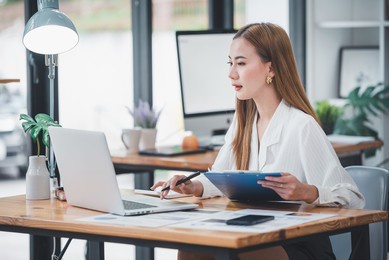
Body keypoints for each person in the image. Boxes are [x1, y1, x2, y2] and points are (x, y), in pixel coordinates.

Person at [151, 22, 365, 260]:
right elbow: (221, 177)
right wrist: (195, 186)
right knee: (193, 246)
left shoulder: (301, 126)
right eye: (230, 63)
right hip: (254, 230)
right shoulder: (242, 123)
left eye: (241, 63)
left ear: (270, 69)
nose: (231, 73)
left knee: (247, 249)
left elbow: (352, 198)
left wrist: (308, 192)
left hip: (297, 245)